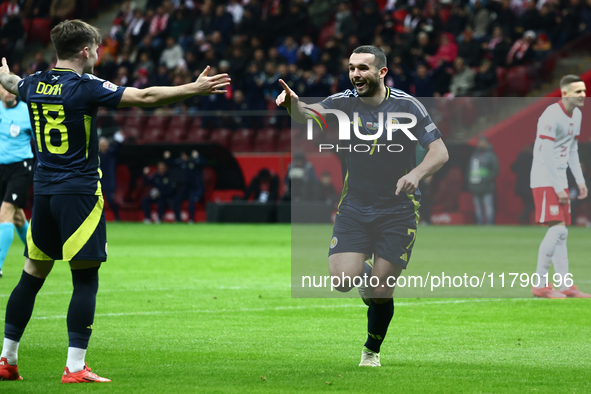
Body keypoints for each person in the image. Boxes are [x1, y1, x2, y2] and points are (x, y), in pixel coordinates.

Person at [0, 19, 230, 383]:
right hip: (79, 193)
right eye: (97, 48)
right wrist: (194, 88)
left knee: (30, 277)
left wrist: (4, 74)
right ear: (86, 51)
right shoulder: (85, 86)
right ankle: (75, 367)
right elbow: (146, 98)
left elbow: (13, 83)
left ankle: (6, 359)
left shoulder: (33, 82)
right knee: (85, 279)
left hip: (42, 192)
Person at [276, 45, 449, 367]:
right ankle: (367, 275)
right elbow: (306, 116)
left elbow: (439, 152)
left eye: (363, 68)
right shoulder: (342, 102)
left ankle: (371, 350)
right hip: (354, 205)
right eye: (352, 68)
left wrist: (416, 172)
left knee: (380, 294)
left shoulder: (407, 106)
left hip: (398, 209)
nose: (356, 74)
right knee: (342, 281)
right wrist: (292, 104)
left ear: (381, 72)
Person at [530, 75, 590, 299]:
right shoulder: (551, 115)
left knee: (562, 234)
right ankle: (540, 285)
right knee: (558, 229)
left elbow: (572, 149)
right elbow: (545, 153)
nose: (583, 95)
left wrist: (580, 180)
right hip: (545, 177)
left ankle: (565, 285)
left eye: (584, 91)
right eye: (578, 91)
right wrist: (557, 187)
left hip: (559, 179)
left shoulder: (577, 115)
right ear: (565, 93)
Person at [0, 82, 34, 278]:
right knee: (18, 216)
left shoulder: (27, 112)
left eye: (10, 88)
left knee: (5, 212)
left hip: (21, 167)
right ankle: (38, 252)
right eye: (4, 88)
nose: (8, 92)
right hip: (1, 169)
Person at [467, 136, 499, 225]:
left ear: (487, 143)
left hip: (487, 187)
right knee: (478, 209)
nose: (481, 144)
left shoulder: (491, 156)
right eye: (480, 143)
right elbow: (469, 171)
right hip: (475, 186)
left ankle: (489, 225)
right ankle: (479, 225)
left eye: (483, 142)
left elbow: (495, 170)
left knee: (488, 207)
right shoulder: (474, 156)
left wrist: (486, 180)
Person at [98, 133, 124, 222]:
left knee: (110, 200)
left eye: (105, 144)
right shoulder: (96, 155)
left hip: (109, 181)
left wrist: (119, 138)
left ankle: (117, 217)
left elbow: (118, 146)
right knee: (96, 201)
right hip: (99, 181)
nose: (103, 146)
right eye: (102, 145)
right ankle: (97, 218)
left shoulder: (110, 153)